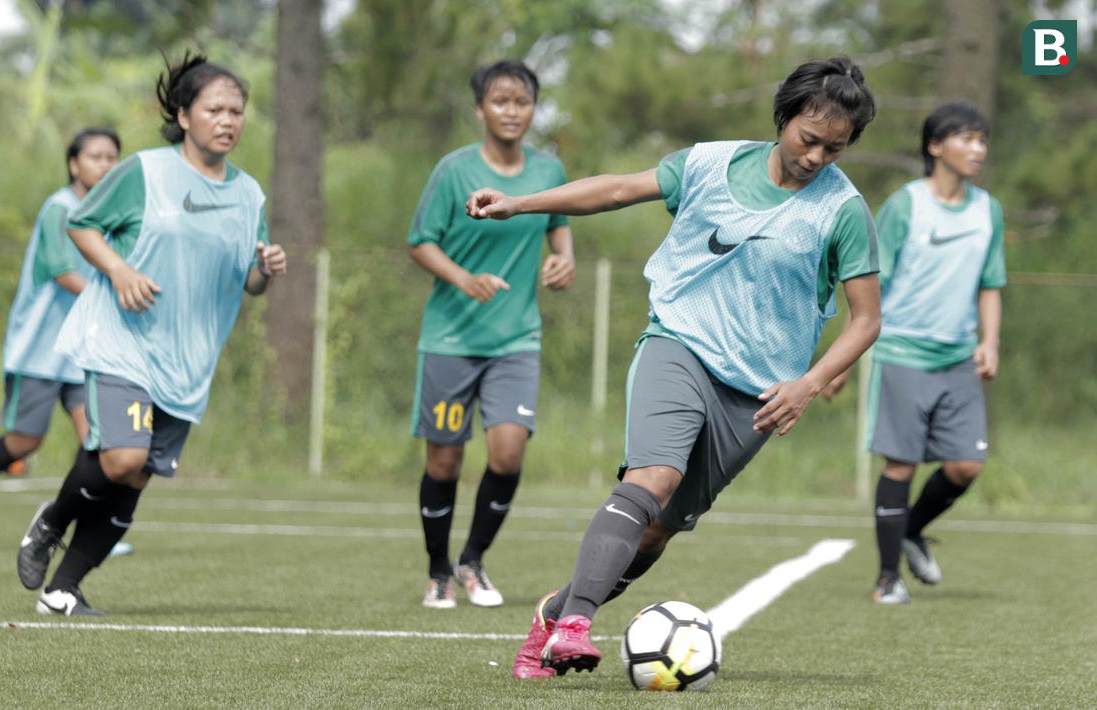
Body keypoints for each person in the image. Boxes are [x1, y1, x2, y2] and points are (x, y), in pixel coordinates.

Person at [466, 57, 881, 678]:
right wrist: (519, 204)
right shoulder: (710, 164)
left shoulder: (842, 212)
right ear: (784, 118)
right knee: (653, 475)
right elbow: (612, 190)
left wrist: (809, 384)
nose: (818, 156)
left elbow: (866, 319)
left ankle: (552, 614)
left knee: (657, 530)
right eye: (808, 138)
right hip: (678, 343)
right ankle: (577, 625)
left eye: (835, 148)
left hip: (758, 392)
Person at [14, 52, 287, 616]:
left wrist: (267, 268)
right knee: (121, 457)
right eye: (215, 108)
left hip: (188, 362)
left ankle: (62, 589)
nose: (229, 120)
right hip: (124, 340)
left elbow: (252, 284)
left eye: (237, 111)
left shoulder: (249, 196)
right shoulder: (145, 172)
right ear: (185, 115)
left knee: (136, 477)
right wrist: (118, 270)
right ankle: (52, 519)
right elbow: (82, 224)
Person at [407, 60, 575, 610]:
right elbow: (420, 241)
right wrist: (463, 278)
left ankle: (472, 561)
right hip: (451, 340)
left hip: (516, 341)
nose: (511, 111)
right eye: (499, 101)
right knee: (445, 463)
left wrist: (562, 262)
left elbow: (559, 227)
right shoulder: (453, 170)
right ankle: (438, 573)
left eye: (521, 101)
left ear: (533, 109)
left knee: (507, 454)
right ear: (480, 109)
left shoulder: (549, 171)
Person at [0, 128, 131, 560]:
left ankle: (81, 527)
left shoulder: (111, 215)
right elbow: (62, 272)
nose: (105, 165)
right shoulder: (60, 209)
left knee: (98, 440)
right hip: (40, 350)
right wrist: (120, 291)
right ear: (74, 164)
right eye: (95, 156)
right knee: (23, 442)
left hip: (83, 350)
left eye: (113, 157)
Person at [858, 103, 1005, 604]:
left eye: (982, 140)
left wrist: (989, 342)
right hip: (902, 352)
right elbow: (872, 278)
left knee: (966, 466)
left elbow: (990, 283)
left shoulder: (989, 210)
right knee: (900, 465)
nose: (978, 149)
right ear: (934, 146)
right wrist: (856, 345)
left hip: (959, 358)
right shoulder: (905, 205)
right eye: (966, 138)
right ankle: (887, 578)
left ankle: (911, 530)